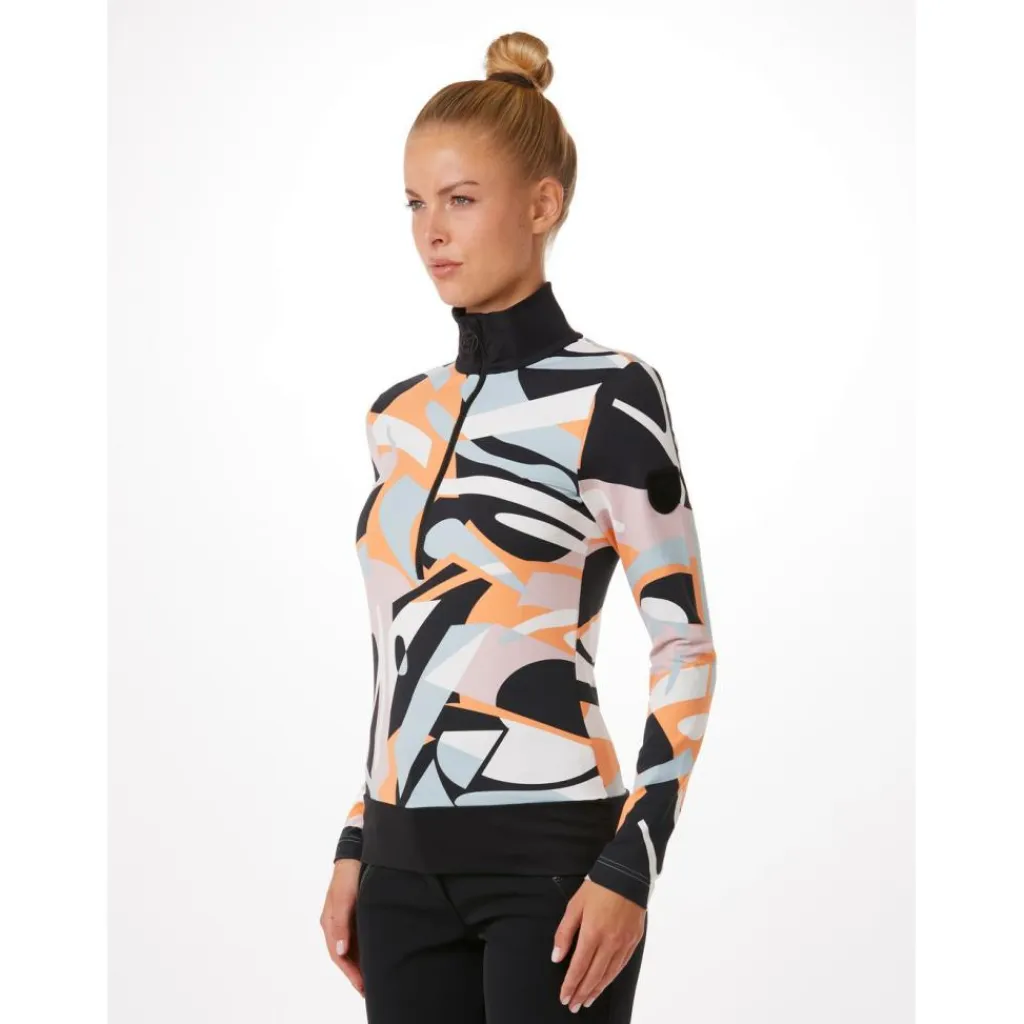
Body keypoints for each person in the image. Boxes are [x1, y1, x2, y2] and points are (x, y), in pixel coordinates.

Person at [320, 31, 717, 1023]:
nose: (432, 233)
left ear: (542, 205)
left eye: (460, 199)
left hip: (552, 858)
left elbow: (683, 643)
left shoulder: (611, 395)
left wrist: (633, 863)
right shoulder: (396, 416)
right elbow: (397, 652)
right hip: (400, 865)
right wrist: (358, 838)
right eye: (415, 203)